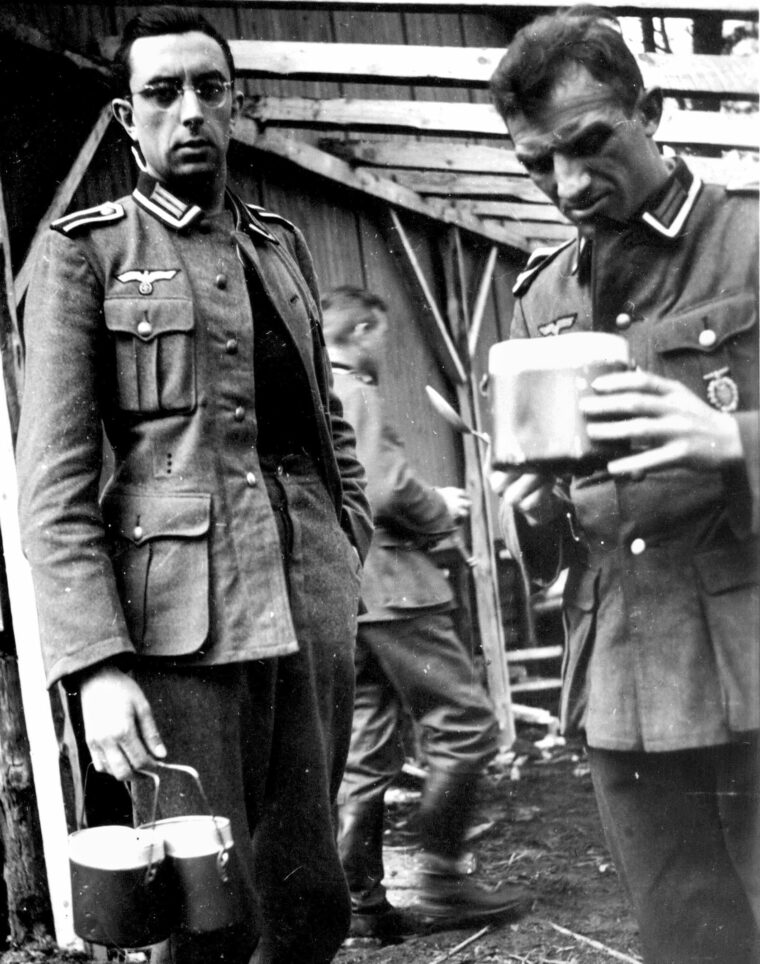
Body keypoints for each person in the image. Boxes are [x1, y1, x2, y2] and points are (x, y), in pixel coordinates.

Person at [16, 8, 372, 964]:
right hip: (181, 627)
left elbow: (322, 418)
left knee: (311, 893)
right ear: (129, 118)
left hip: (309, 608)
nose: (190, 112)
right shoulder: (85, 253)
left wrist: (348, 548)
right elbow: (51, 484)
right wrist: (94, 666)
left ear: (233, 104)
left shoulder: (279, 243)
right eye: (163, 92)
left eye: (208, 90)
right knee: (208, 908)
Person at [489, 9, 759, 962]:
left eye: (589, 144)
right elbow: (571, 519)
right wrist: (535, 512)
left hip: (751, 658)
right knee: (685, 937)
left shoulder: (749, 240)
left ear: (655, 108)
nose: (565, 186)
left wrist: (735, 442)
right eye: (535, 165)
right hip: (621, 678)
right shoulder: (544, 292)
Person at [321, 286, 530, 941]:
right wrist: (439, 508)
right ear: (360, 331)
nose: (384, 348)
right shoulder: (352, 387)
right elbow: (382, 488)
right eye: (379, 335)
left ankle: (361, 906)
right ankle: (443, 880)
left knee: (364, 749)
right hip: (398, 590)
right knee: (467, 725)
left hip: (347, 596)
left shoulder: (310, 389)